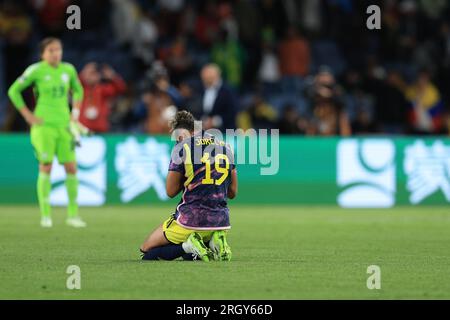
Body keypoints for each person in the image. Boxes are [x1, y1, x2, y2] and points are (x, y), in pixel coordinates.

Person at [7, 37, 86, 228]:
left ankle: (73, 215)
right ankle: (45, 215)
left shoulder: (68, 69)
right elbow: (13, 91)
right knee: (46, 167)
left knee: (71, 168)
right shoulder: (36, 70)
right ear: (43, 53)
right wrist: (27, 115)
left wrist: (75, 113)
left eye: (58, 49)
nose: (56, 53)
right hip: (44, 127)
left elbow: (78, 90)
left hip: (65, 126)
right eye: (51, 50)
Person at [140, 111, 237, 261]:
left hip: (191, 220)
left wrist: (189, 178)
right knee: (190, 257)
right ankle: (211, 242)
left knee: (147, 251)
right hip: (220, 221)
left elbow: (170, 191)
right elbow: (232, 192)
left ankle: (189, 245)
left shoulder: (182, 149)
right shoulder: (226, 146)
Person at [79, 62, 127, 133]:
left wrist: (113, 76)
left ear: (99, 76)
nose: (92, 77)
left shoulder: (103, 90)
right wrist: (83, 73)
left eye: (95, 74)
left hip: (100, 128)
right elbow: (70, 84)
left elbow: (121, 89)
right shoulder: (80, 89)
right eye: (91, 74)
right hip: (82, 128)